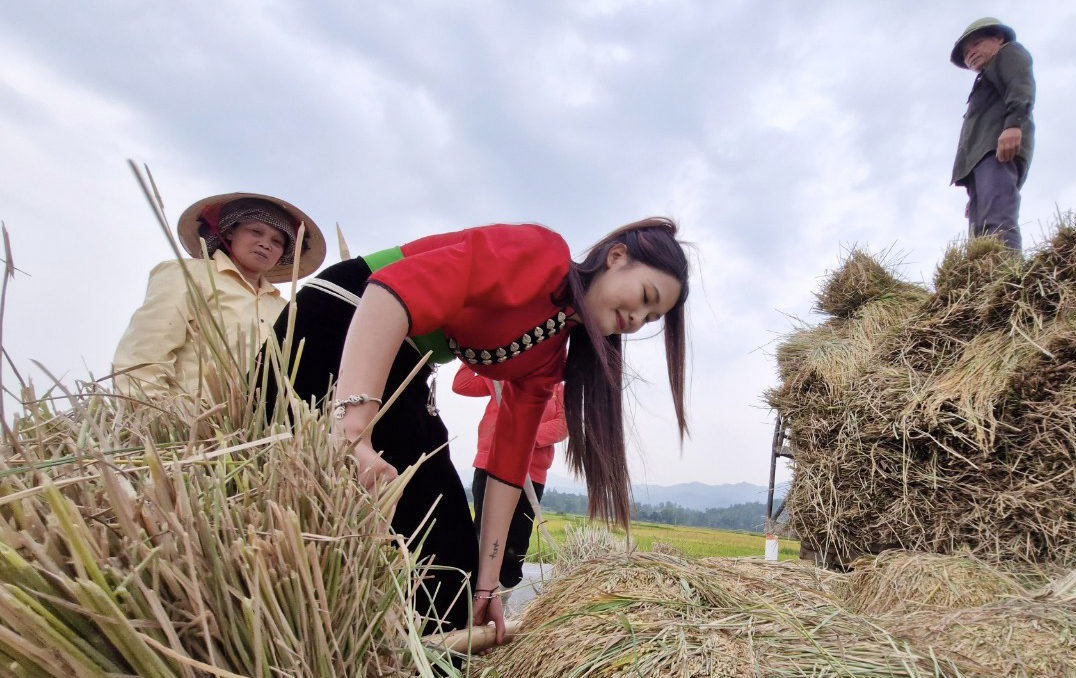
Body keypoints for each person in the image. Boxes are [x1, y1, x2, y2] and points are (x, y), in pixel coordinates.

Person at [269, 219, 690, 639]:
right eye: (645, 297)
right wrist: (353, 434)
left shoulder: (550, 356)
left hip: (405, 363)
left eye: (651, 317)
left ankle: (418, 677)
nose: (636, 319)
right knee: (417, 537)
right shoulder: (540, 254)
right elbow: (390, 290)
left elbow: (509, 464)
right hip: (341, 320)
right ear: (616, 258)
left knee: (453, 564)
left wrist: (487, 582)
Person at [113, 192, 325, 398]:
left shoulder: (285, 309)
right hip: (187, 420)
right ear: (230, 232)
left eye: (277, 242)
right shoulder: (188, 275)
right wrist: (154, 420)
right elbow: (144, 353)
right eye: (255, 231)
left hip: (256, 430)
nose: (265, 244)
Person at [453, 368, 567, 592]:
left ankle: (503, 593)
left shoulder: (557, 389)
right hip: (490, 462)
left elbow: (563, 425)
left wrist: (523, 434)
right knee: (482, 530)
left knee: (517, 536)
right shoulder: (498, 374)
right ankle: (473, 589)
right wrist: (474, 347)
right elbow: (461, 385)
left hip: (531, 472)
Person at [949, 17, 1035, 252]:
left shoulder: (1008, 54)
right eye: (966, 53)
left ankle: (1007, 279)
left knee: (997, 222)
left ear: (999, 38)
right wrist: (974, 194)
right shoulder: (984, 79)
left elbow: (1020, 86)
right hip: (982, 160)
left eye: (976, 44)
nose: (971, 54)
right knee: (979, 233)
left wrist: (1012, 125)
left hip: (997, 151)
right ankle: (984, 282)